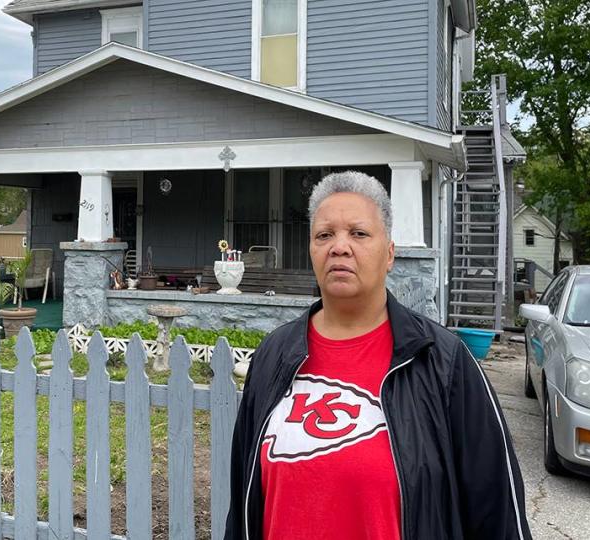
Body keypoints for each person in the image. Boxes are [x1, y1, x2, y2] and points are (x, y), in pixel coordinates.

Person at [225, 171, 532, 539]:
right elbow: (243, 503)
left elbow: (498, 515)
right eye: (325, 235)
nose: (339, 247)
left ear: (389, 254)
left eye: (358, 233)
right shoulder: (274, 357)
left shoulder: (444, 363)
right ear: (311, 250)